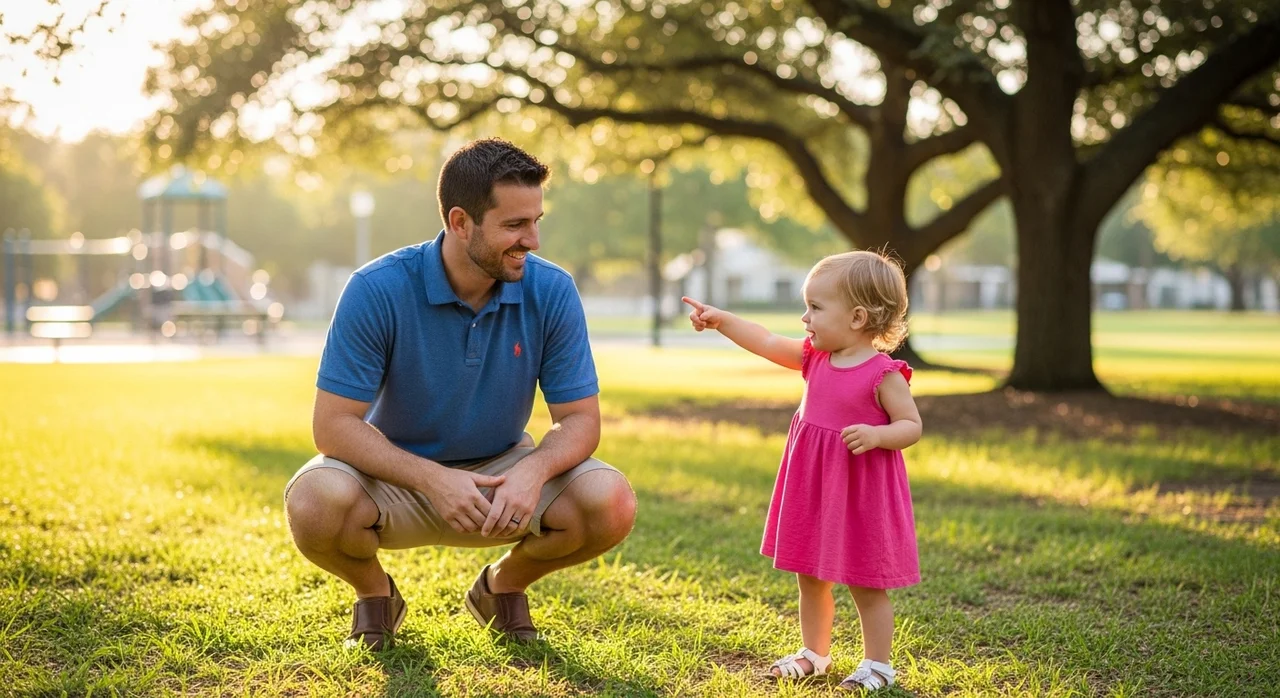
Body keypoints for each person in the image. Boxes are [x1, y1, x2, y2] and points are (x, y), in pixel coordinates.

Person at [283, 138, 637, 650]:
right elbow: (333, 425)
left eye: (537, 220)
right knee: (314, 501)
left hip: (504, 474)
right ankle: (374, 594)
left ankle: (502, 588)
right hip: (395, 475)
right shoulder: (377, 288)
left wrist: (532, 471)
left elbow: (580, 419)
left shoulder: (552, 290)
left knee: (611, 502)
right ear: (460, 221)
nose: (533, 240)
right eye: (515, 225)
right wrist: (433, 480)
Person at [682, 249, 922, 692]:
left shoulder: (882, 374)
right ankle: (815, 653)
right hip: (815, 487)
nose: (804, 318)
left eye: (815, 307)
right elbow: (767, 341)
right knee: (809, 575)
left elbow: (911, 425)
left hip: (859, 493)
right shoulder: (814, 357)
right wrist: (724, 320)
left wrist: (877, 435)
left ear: (856, 317)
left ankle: (878, 665)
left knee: (865, 581)